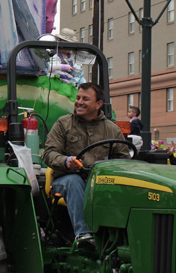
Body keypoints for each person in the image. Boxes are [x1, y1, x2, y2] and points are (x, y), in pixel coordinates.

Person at [42, 82, 129, 246]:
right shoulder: (64, 124)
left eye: (85, 99)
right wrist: (67, 161)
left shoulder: (112, 130)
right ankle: (84, 235)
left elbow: (123, 161)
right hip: (65, 180)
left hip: (99, 183)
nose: (79, 102)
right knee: (74, 182)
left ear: (98, 104)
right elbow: (49, 154)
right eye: (78, 98)